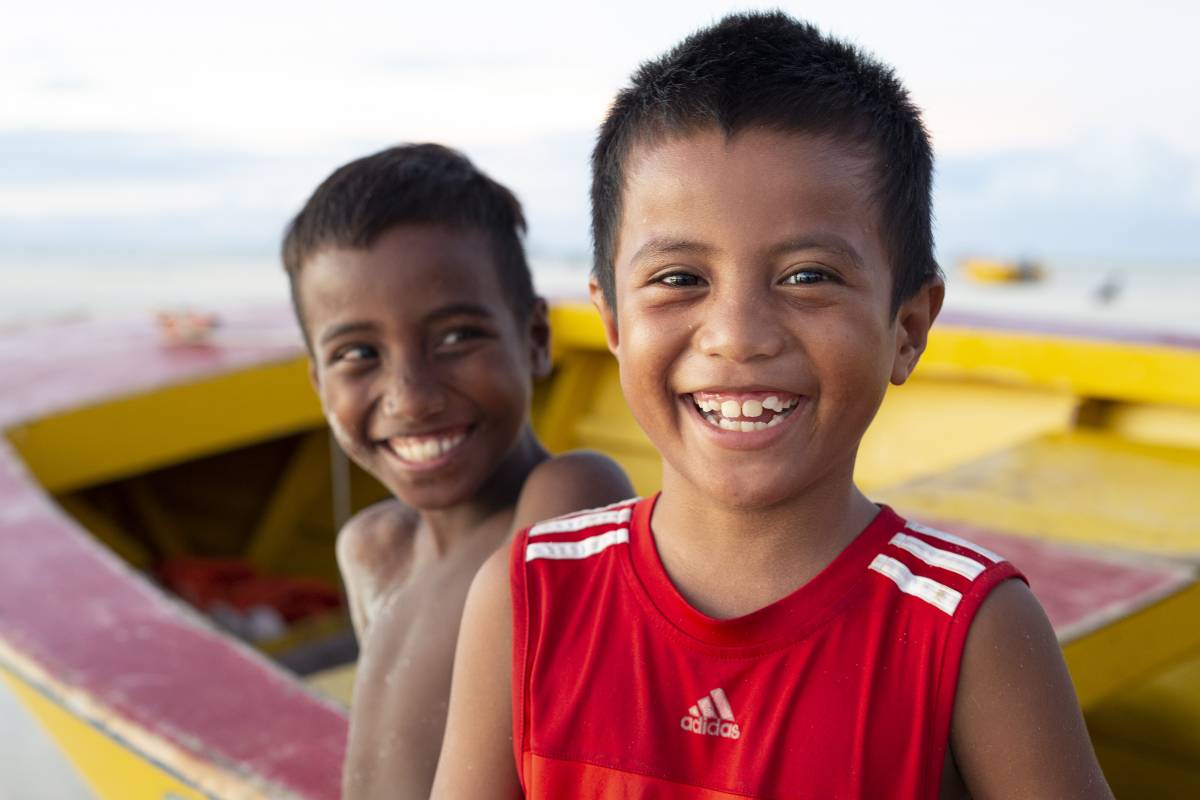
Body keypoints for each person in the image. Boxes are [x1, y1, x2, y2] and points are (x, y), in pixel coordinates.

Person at [432, 13, 1112, 799]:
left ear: (908, 328)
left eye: (808, 277)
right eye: (680, 278)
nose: (737, 337)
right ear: (613, 320)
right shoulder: (529, 598)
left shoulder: (967, 633)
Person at [280, 144, 633, 800]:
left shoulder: (567, 498)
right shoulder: (373, 551)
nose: (411, 396)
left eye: (455, 338)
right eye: (359, 354)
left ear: (534, 338)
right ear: (318, 381)